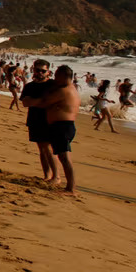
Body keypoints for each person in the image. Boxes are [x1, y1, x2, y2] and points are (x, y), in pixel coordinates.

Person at [23, 64, 82, 194]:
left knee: (65, 158)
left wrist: (30, 101)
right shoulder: (69, 88)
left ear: (63, 76)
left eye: (57, 75)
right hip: (62, 126)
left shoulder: (64, 91)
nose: (54, 78)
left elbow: (44, 102)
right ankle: (67, 186)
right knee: (61, 156)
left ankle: (71, 188)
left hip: (63, 126)